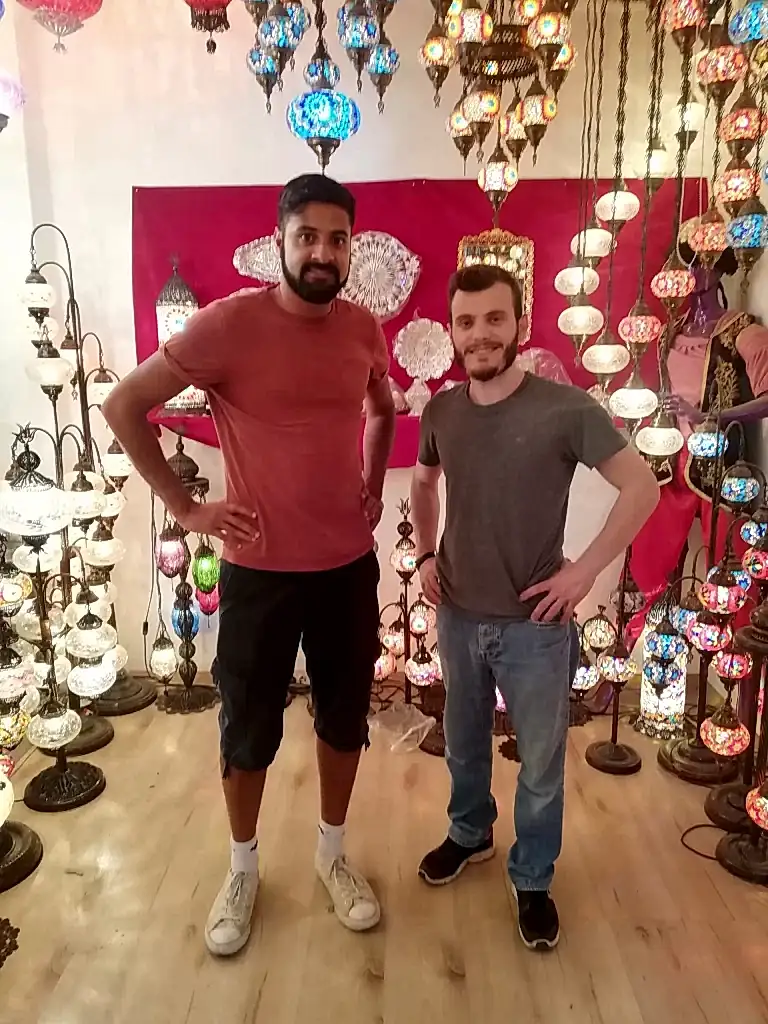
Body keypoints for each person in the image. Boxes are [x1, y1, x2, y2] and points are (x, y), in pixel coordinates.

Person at [102, 174, 396, 956]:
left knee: (344, 719)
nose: (323, 252)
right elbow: (124, 404)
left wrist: (373, 482)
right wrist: (186, 506)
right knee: (248, 729)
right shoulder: (227, 325)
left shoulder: (363, 328)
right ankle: (242, 870)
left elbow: (383, 408)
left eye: (337, 239)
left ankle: (332, 855)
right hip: (259, 571)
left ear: (351, 248)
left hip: (346, 567)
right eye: (308, 237)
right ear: (280, 243)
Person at [409, 264, 659, 951]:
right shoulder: (442, 412)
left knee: (541, 766)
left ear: (519, 323)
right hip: (458, 616)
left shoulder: (565, 409)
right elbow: (424, 485)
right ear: (453, 331)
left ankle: (532, 877)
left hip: (536, 629)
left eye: (494, 319)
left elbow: (641, 488)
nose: (479, 334)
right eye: (466, 322)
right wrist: (425, 555)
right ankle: (470, 835)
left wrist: (583, 572)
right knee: (464, 745)